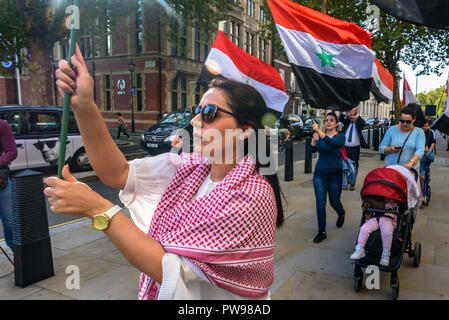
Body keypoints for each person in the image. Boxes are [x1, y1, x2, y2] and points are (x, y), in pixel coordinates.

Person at [50, 45, 284, 300]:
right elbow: (118, 173)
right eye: (197, 111)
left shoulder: (253, 196)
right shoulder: (189, 168)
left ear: (245, 130)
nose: (195, 121)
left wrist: (99, 210)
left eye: (209, 113)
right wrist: (84, 105)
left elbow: (170, 270)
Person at [309, 113, 346, 243]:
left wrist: (318, 131)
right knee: (320, 203)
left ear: (336, 124)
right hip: (320, 174)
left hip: (335, 175)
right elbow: (312, 150)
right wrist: (314, 140)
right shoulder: (320, 136)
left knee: (334, 202)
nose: (328, 122)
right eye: (326, 120)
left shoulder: (340, 137)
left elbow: (332, 144)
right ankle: (322, 231)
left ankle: (341, 213)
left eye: (331, 120)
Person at [350, 195, 399, 266]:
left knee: (387, 232)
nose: (389, 199)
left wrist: (395, 221)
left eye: (392, 198)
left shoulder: (395, 205)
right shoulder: (378, 201)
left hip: (387, 220)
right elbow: (370, 209)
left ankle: (386, 254)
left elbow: (397, 214)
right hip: (375, 219)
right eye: (388, 198)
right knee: (364, 228)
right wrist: (367, 218)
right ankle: (359, 249)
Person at [379, 106, 425, 172]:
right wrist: (390, 149)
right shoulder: (391, 129)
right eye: (402, 121)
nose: (404, 124)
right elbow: (381, 148)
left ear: (414, 119)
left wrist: (411, 162)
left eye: (408, 122)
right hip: (391, 169)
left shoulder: (419, 132)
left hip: (409, 170)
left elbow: (420, 150)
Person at [339, 108, 368, 190]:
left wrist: (356, 116)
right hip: (344, 148)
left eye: (353, 116)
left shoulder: (358, 123)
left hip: (355, 149)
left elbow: (363, 123)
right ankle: (344, 182)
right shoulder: (347, 121)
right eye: (350, 116)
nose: (351, 117)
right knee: (344, 166)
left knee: (354, 167)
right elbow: (340, 118)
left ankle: (352, 183)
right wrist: (347, 112)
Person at [0, 119, 18, 256]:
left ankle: (20, 257)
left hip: (1, 183)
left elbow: (12, 151)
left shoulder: (2, 125)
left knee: (10, 221)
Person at [419, 119, 436, 193]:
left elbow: (433, 142)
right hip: (419, 154)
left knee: (422, 174)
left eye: (426, 126)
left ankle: (422, 191)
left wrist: (428, 151)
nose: (424, 128)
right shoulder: (418, 132)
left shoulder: (431, 132)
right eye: (422, 126)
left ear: (428, 125)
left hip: (426, 154)